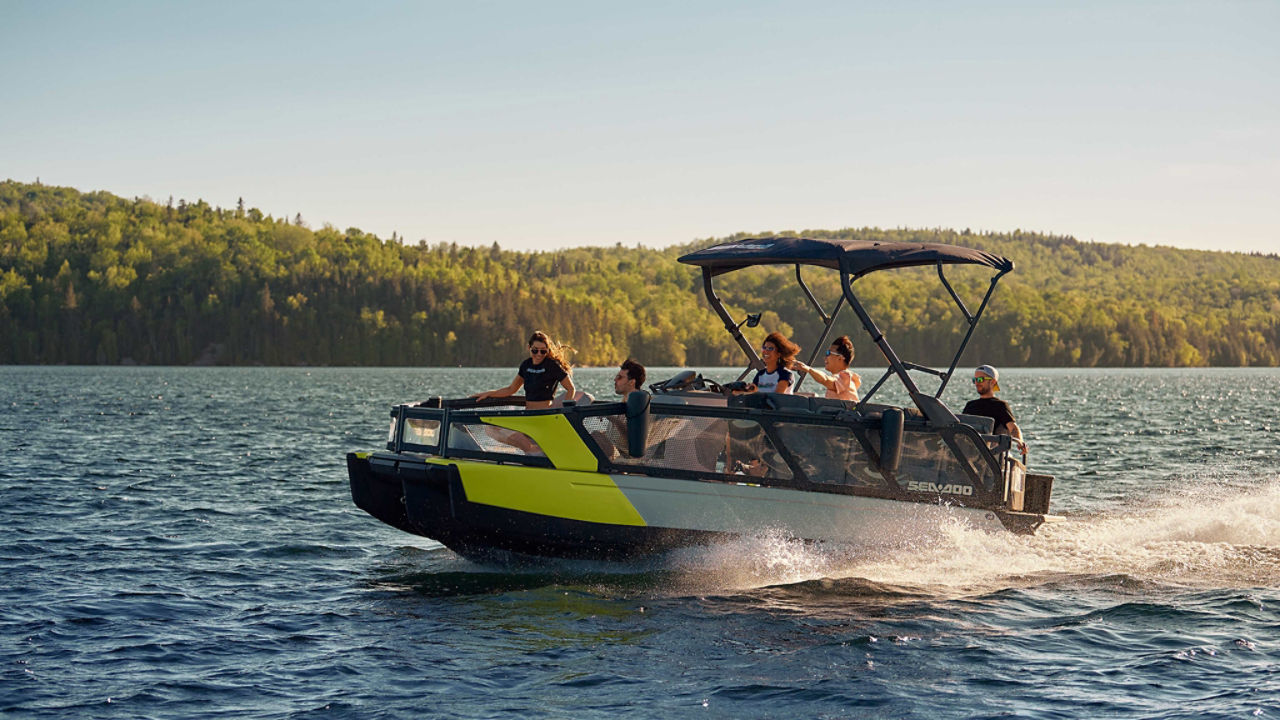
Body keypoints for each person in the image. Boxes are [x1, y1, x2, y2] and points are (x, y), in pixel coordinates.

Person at [472, 330, 576, 410]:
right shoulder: (526, 365)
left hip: (545, 415)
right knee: (493, 430)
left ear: (547, 351)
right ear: (529, 348)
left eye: (543, 351)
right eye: (535, 350)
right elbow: (511, 389)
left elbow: (571, 389)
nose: (539, 354)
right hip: (528, 414)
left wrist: (565, 409)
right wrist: (489, 394)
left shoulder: (552, 366)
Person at [962, 364, 1025, 452]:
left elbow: (1013, 428)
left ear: (993, 382)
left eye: (980, 379)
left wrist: (1020, 441)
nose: (977, 383)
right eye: (974, 380)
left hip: (991, 455)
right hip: (969, 452)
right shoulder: (970, 405)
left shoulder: (1000, 406)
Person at [795, 335, 861, 401]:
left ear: (840, 358)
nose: (825, 357)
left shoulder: (845, 379)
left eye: (828, 353)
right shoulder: (844, 379)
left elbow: (825, 380)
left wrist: (808, 369)